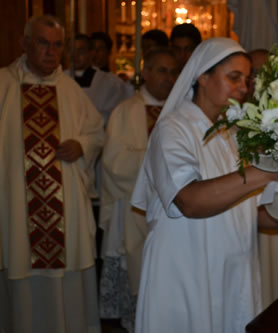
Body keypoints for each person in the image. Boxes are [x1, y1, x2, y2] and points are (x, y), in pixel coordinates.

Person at [130, 37, 278, 333]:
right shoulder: (173, 129)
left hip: (231, 272)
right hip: (185, 270)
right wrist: (263, 172)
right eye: (234, 77)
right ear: (203, 77)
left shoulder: (233, 136)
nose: (244, 89)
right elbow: (189, 201)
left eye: (246, 79)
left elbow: (257, 217)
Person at [0, 15, 104, 333]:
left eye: (58, 45)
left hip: (65, 211)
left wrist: (82, 144)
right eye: (43, 43)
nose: (51, 52)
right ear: (25, 43)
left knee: (67, 282)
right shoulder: (3, 84)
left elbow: (97, 131)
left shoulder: (70, 89)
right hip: (18, 208)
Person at [99, 48, 178, 332]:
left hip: (177, 211)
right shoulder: (125, 111)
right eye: (161, 70)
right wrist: (159, 160)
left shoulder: (182, 110)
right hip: (133, 207)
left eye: (173, 72)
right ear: (145, 73)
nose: (169, 78)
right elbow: (113, 163)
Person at [67, 33, 133, 126]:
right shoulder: (61, 79)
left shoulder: (111, 83)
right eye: (71, 50)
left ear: (90, 53)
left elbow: (118, 117)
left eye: (81, 50)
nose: (75, 55)